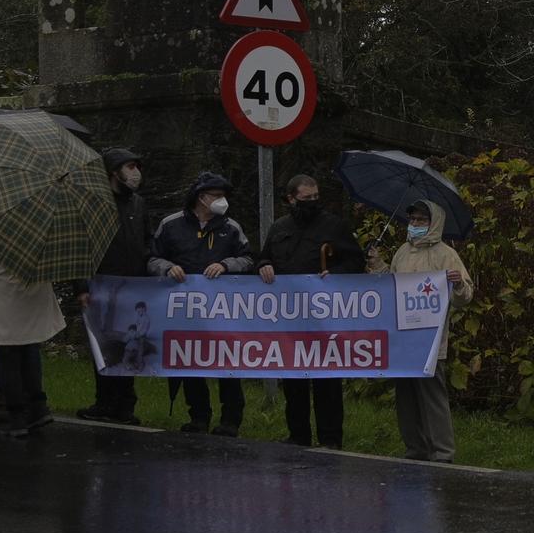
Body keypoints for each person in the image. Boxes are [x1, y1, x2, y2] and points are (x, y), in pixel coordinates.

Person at [257, 173, 366, 447]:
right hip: (289, 318)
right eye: (307, 199)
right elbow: (263, 256)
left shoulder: (334, 226)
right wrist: (263, 265)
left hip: (324, 320)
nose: (313, 203)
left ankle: (331, 440)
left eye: (316, 197)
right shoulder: (279, 227)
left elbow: (356, 262)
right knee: (293, 381)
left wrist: (337, 273)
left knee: (327, 382)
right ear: (291, 199)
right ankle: (298, 436)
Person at [147, 171, 253, 436]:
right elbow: (151, 259)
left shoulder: (232, 228)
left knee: (227, 365)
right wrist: (167, 268)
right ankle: (199, 417)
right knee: (190, 363)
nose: (222, 201)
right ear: (201, 198)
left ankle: (230, 420)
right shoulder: (170, 225)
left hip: (223, 312)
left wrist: (226, 265)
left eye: (224, 196)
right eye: (217, 196)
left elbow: (249, 259)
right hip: (184, 310)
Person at [375, 200, 474, 462]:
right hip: (402, 337)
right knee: (406, 397)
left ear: (434, 223)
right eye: (413, 219)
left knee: (432, 396)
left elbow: (465, 296)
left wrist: (458, 284)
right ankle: (415, 448)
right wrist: (376, 265)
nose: (416, 224)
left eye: (422, 220)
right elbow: (390, 287)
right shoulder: (401, 253)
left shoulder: (446, 254)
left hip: (431, 339)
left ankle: (442, 452)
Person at [78, 148, 152, 425]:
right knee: (105, 345)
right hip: (102, 284)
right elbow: (82, 247)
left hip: (133, 286)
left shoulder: (138, 204)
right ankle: (105, 401)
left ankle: (125, 404)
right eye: (130, 166)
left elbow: (147, 241)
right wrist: (82, 286)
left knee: (130, 343)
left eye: (137, 166)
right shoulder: (94, 203)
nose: (136, 173)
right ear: (113, 172)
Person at [0, 241, 62, 436]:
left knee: (7, 355)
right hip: (33, 288)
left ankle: (17, 415)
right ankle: (38, 406)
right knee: (30, 348)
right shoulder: (40, 218)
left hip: (5, 293)